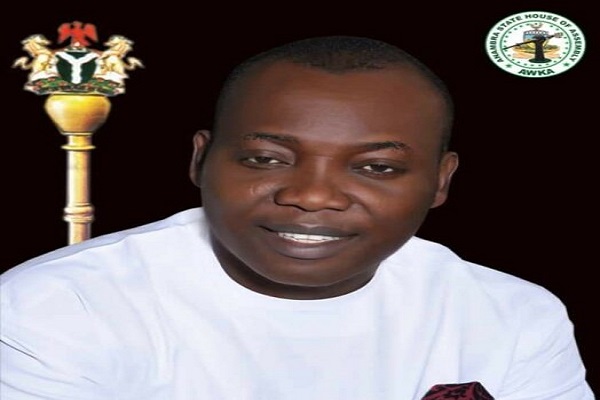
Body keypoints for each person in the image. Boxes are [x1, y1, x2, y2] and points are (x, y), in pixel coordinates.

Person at [0, 35, 594, 400]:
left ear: (440, 182)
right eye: (266, 159)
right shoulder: (57, 307)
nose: (312, 196)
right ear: (201, 160)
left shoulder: (514, 316)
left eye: (377, 168)